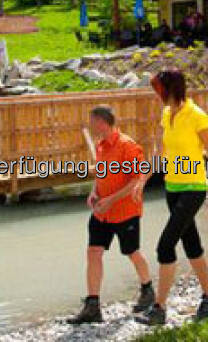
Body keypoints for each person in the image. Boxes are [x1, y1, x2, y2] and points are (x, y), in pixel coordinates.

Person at [135, 70, 208, 326]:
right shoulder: (166, 115)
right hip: (172, 187)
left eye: (159, 90)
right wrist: (143, 180)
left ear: (170, 89)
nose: (156, 96)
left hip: (193, 187)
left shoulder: (197, 116)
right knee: (191, 244)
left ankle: (159, 308)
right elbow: (163, 153)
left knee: (165, 246)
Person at [68, 106, 154, 324]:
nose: (90, 125)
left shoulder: (127, 146)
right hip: (101, 213)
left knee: (132, 252)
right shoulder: (100, 146)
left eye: (92, 121)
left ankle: (148, 290)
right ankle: (92, 306)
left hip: (125, 211)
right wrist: (94, 192)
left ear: (102, 122)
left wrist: (111, 200)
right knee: (93, 252)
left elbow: (137, 179)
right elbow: (101, 173)